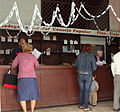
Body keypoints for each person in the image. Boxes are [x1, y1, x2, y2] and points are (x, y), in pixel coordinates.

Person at [12, 43, 40, 112]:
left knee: (22, 96)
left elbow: (13, 65)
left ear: (23, 48)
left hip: (22, 78)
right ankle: (32, 111)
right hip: (31, 78)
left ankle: (25, 111)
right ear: (30, 49)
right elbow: (37, 66)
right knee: (33, 96)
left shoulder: (19, 55)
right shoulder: (33, 56)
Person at [75, 44, 97, 111]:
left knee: (81, 90)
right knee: (86, 91)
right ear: (90, 49)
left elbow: (76, 64)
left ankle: (81, 105)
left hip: (80, 74)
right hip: (88, 75)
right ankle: (86, 107)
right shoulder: (91, 56)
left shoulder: (79, 56)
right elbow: (94, 68)